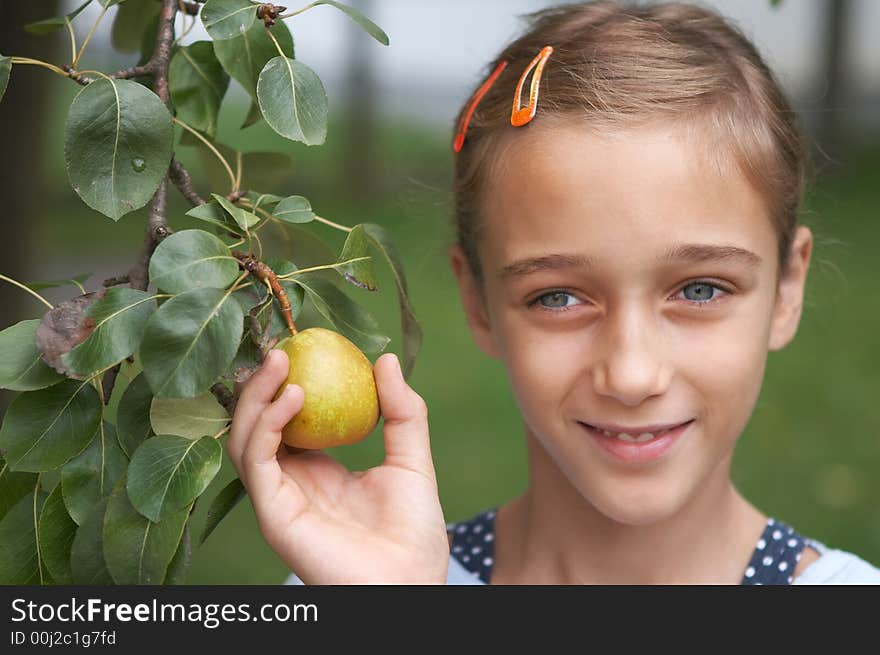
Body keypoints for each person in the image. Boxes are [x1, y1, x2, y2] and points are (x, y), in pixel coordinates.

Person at [226, 1, 880, 584]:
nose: (630, 373)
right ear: (478, 300)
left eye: (701, 288)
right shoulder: (368, 580)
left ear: (787, 287)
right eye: (559, 297)